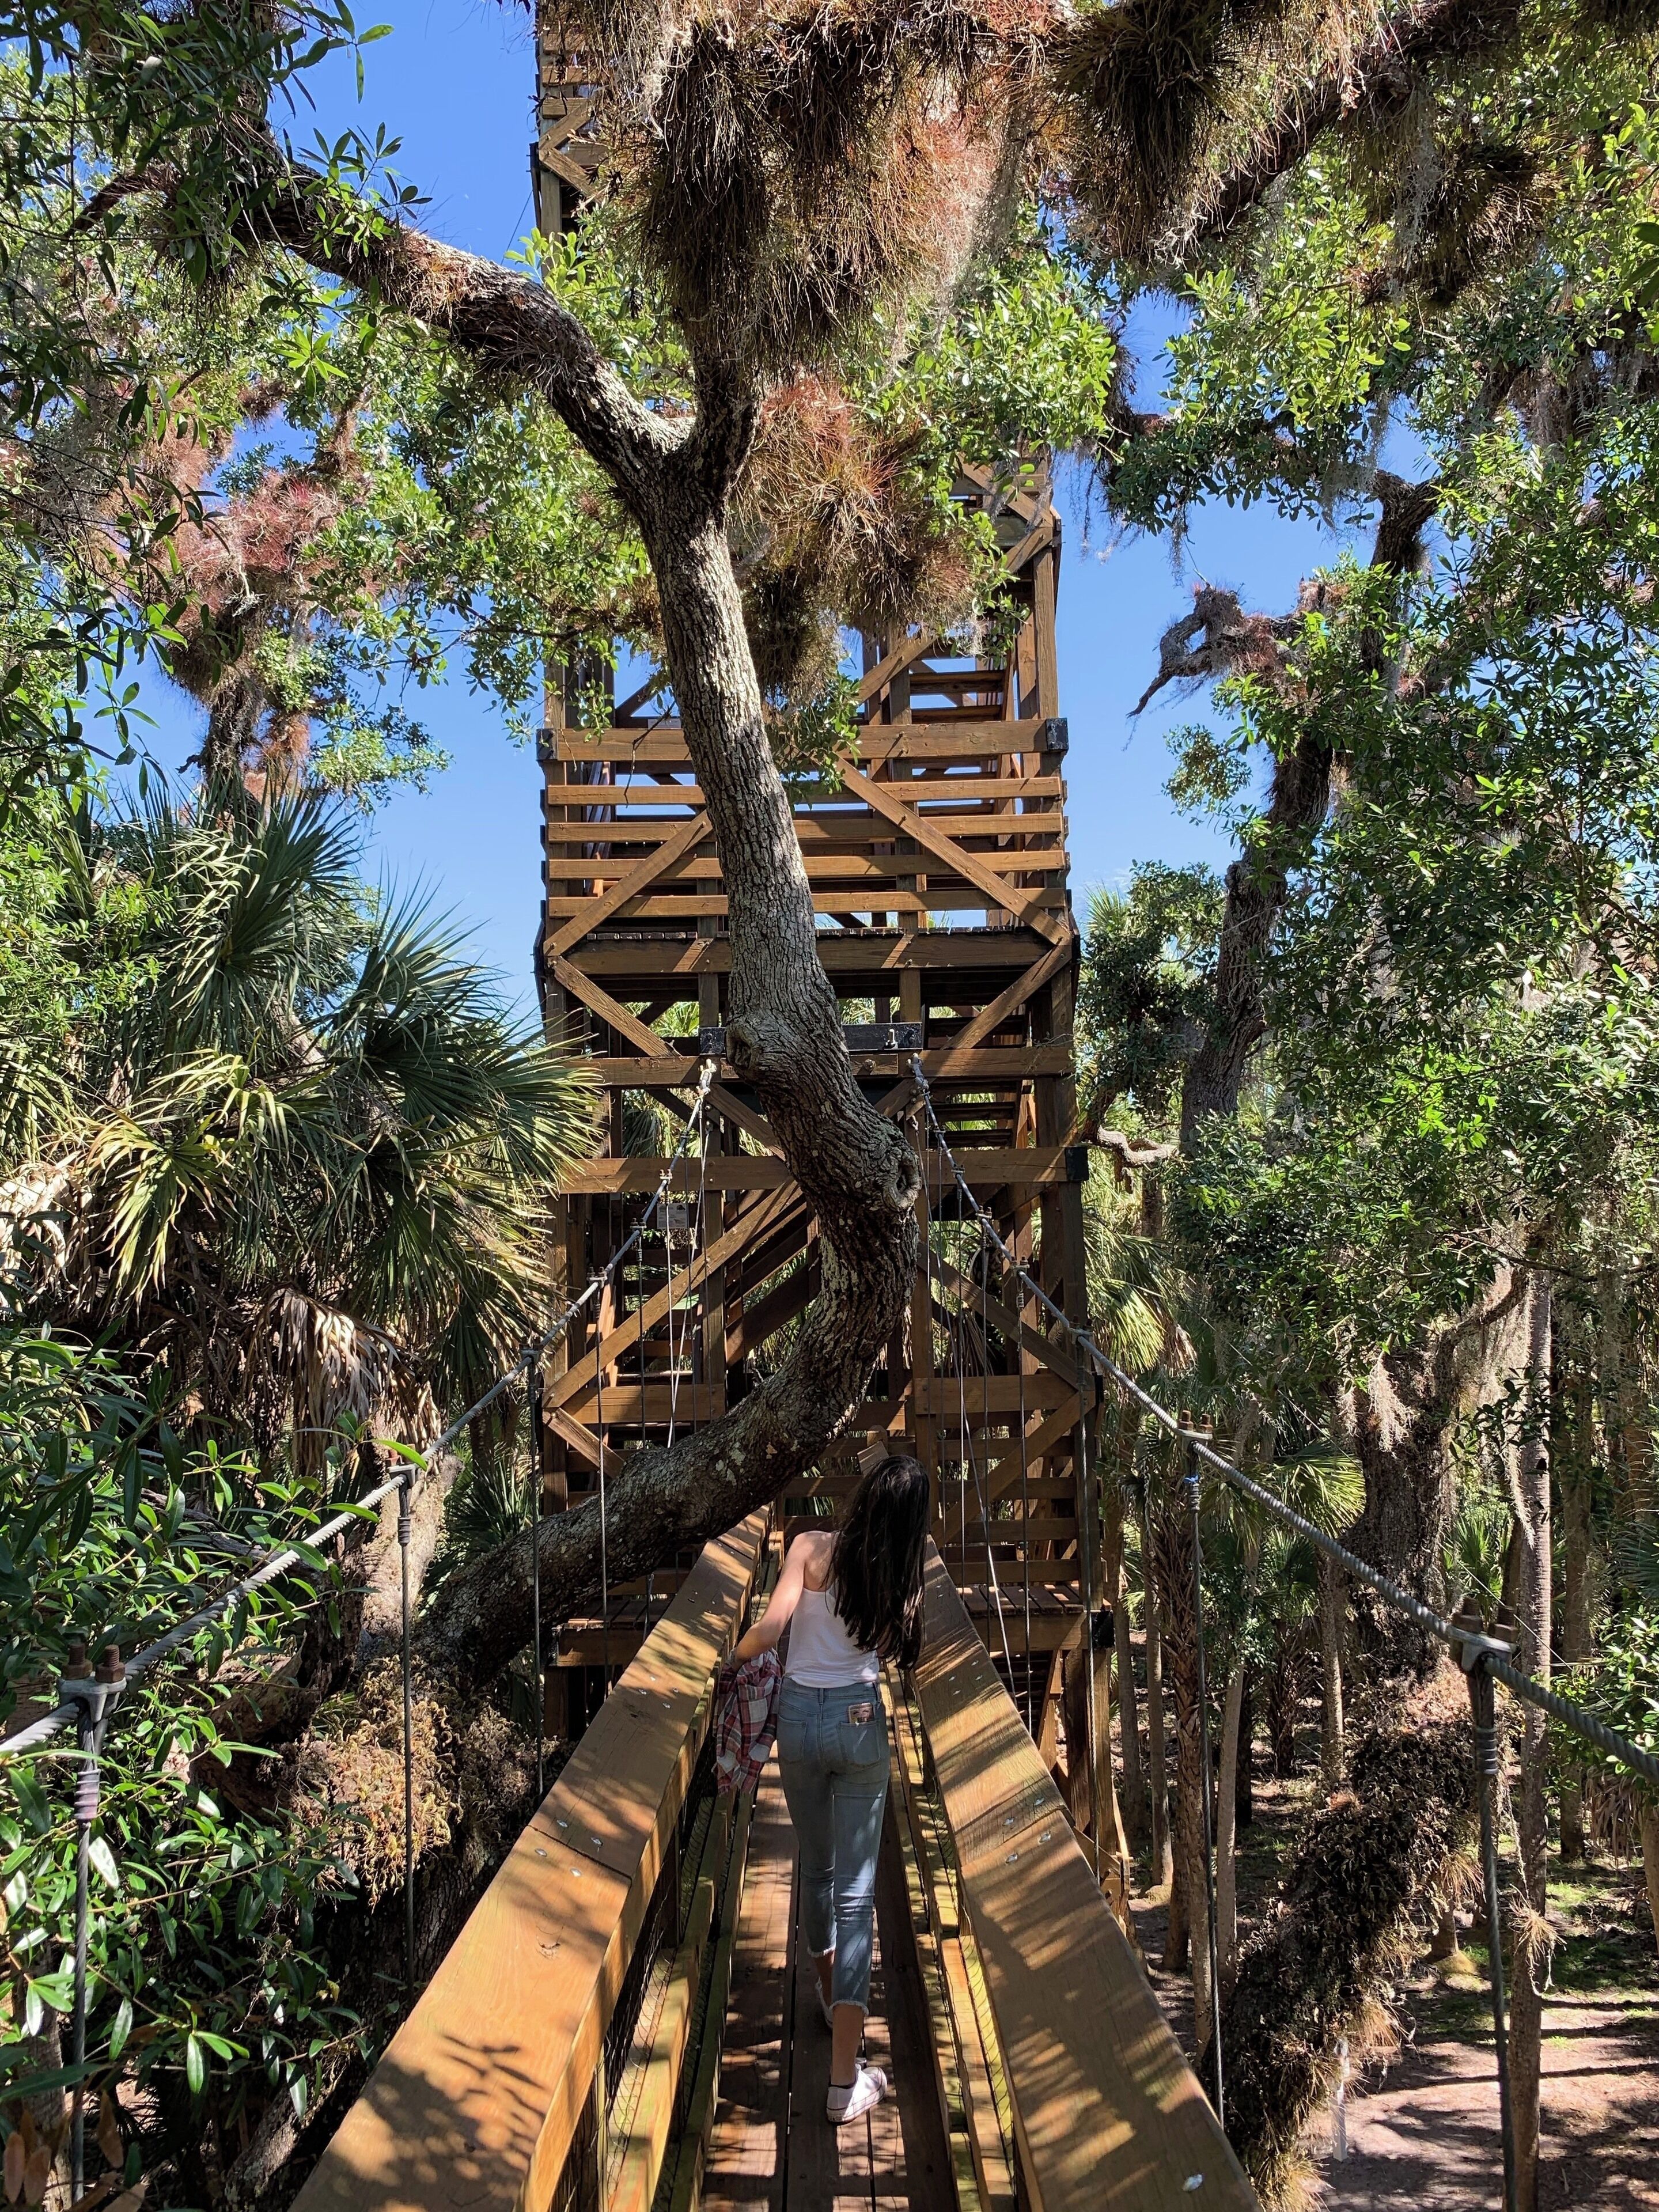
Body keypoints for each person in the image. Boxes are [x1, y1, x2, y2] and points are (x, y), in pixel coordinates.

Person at [728, 1453, 930, 2126]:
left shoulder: (811, 1547)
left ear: (864, 1494)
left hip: (800, 1724)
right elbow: (904, 1648)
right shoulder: (900, 1573)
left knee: (813, 1872)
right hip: (860, 1723)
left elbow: (770, 1631)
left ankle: (825, 1997)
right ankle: (846, 2080)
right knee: (857, 1896)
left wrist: (722, 1661)